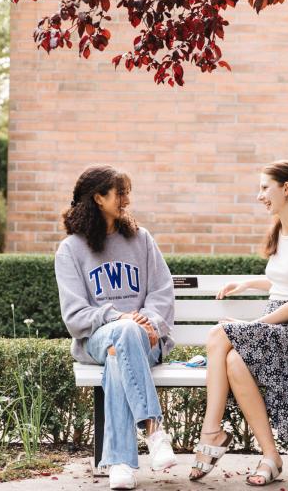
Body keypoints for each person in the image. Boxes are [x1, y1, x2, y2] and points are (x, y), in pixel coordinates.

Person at [188, 160, 288, 486]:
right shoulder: (280, 232)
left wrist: (254, 325)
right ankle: (271, 456)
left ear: (286, 188)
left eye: (264, 187)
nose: (259, 196)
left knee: (219, 332)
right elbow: (284, 284)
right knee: (234, 361)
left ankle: (211, 433)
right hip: (279, 326)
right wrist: (248, 284)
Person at [55, 165, 177, 490]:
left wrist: (148, 323)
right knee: (122, 335)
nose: (127, 199)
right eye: (119, 193)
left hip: (144, 339)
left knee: (118, 354)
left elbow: (162, 291)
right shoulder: (71, 250)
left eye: (127, 192)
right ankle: (154, 430)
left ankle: (120, 462)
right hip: (97, 338)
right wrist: (118, 317)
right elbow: (75, 316)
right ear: (98, 198)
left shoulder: (140, 239)